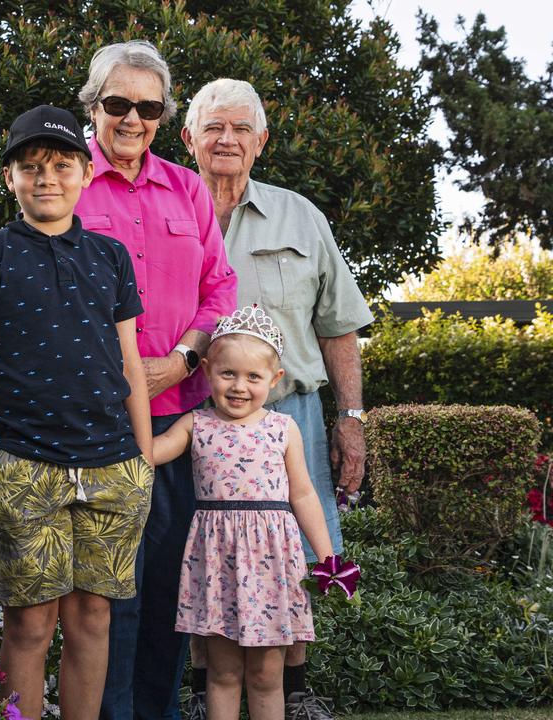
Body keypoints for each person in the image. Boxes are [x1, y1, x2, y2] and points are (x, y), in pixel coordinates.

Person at [0, 104, 155, 720]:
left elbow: (131, 363)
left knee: (93, 618)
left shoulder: (110, 258)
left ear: (86, 175)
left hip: (113, 468)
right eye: (30, 166)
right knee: (30, 624)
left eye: (62, 165)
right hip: (26, 468)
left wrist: (142, 459)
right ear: (9, 177)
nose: (47, 178)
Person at [180, 78, 375, 720]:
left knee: (289, 550)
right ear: (189, 138)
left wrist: (350, 417)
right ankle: (204, 689)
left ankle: (291, 694)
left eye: (241, 129)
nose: (226, 139)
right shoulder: (169, 214)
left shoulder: (300, 217)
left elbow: (338, 325)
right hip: (189, 417)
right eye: (213, 127)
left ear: (261, 141)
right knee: (201, 552)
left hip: (288, 415)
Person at [73, 41, 238, 720]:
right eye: (118, 104)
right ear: (94, 106)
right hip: (98, 423)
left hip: (178, 418)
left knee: (171, 586)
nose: (132, 118)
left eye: (148, 107)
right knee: (108, 593)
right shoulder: (65, 179)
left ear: (164, 116)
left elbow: (220, 288)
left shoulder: (187, 187)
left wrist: (188, 356)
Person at [152, 305, 335, 720]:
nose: (239, 386)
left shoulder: (282, 429)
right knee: (223, 671)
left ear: (274, 380)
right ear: (207, 373)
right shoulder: (195, 424)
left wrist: (328, 558)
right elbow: (151, 452)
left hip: (272, 563)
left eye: (253, 377)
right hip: (218, 563)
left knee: (267, 675)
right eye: (228, 373)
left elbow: (304, 495)